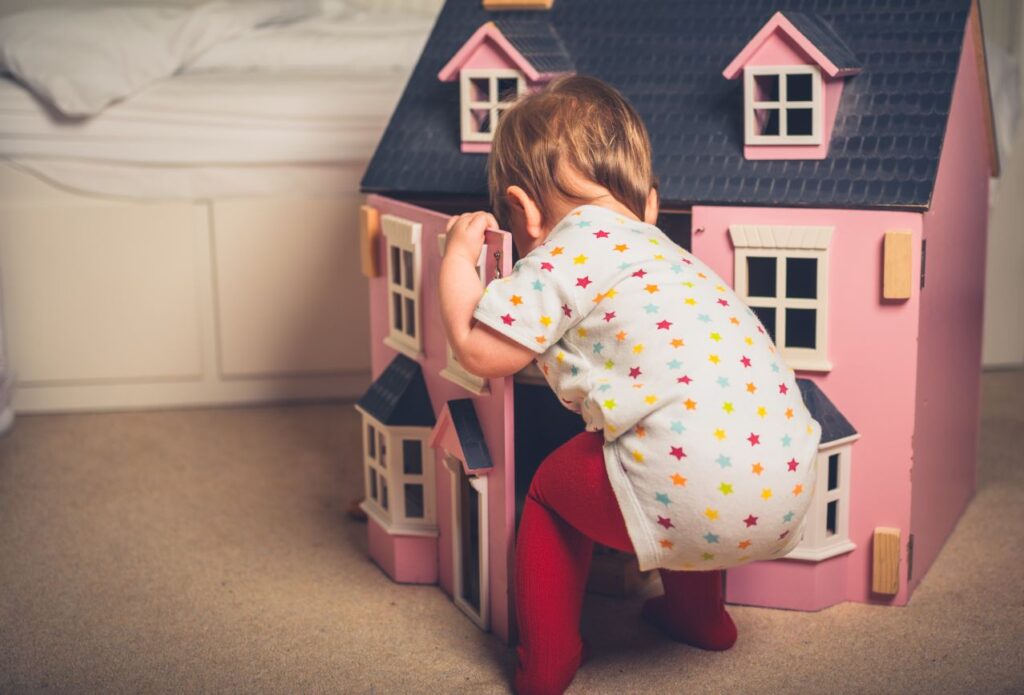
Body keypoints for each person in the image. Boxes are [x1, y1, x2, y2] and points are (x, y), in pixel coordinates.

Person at [439, 75, 822, 695]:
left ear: (525, 211)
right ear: (649, 203)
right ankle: (702, 617)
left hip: (694, 489)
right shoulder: (679, 260)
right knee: (690, 447)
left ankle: (550, 659)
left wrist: (457, 262)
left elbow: (481, 351)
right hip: (788, 485)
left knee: (547, 494)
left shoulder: (563, 254)